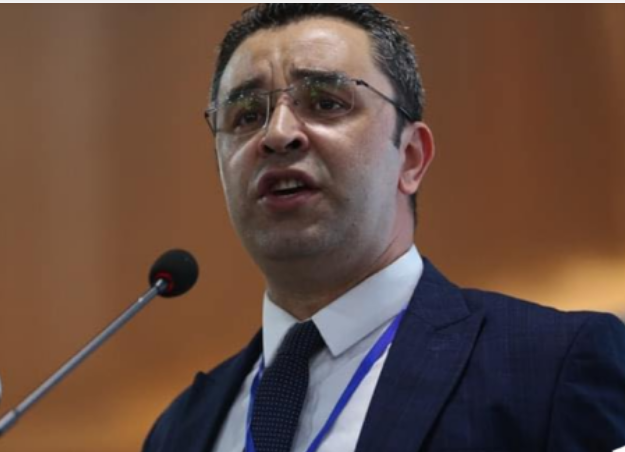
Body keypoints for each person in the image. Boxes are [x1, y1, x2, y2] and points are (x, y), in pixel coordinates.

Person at [143, 4, 625, 452]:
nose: (277, 134)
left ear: (410, 157)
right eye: (247, 115)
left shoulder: (554, 366)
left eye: (325, 102)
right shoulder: (179, 431)